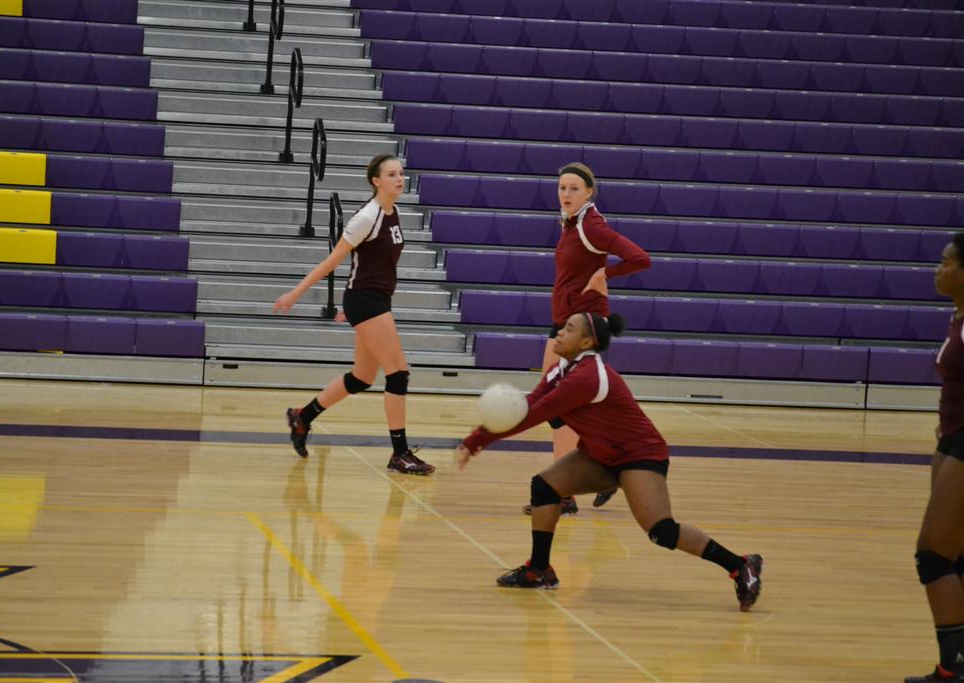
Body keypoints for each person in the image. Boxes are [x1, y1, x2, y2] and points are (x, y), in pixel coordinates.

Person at [455, 311, 763, 611]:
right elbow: (530, 404)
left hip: (639, 455)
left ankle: (740, 565)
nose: (559, 332)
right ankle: (539, 570)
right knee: (544, 487)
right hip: (599, 455)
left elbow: (534, 415)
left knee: (661, 531)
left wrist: (476, 441)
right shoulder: (560, 370)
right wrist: (478, 437)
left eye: (569, 329)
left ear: (587, 342)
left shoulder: (588, 377)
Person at [272, 154, 435, 476]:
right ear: (376, 180)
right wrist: (295, 293)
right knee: (398, 373)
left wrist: (353, 305)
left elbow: (373, 264)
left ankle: (303, 416)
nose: (399, 179)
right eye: (392, 174)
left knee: (362, 377)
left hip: (371, 300)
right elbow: (333, 261)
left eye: (401, 173)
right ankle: (400, 454)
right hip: (367, 301)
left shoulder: (393, 212)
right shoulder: (367, 216)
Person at [529, 163, 652, 516]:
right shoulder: (571, 222)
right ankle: (607, 469)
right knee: (561, 402)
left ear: (589, 193)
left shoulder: (591, 225)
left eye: (574, 189)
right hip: (567, 322)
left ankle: (564, 493)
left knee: (556, 405)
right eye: (562, 188)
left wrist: (604, 274)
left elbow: (640, 258)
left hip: (581, 326)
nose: (566, 194)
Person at [905, 233, 964, 683]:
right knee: (956, 555)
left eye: (946, 262)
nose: (937, 269)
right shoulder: (957, 317)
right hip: (952, 440)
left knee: (933, 554)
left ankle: (952, 668)